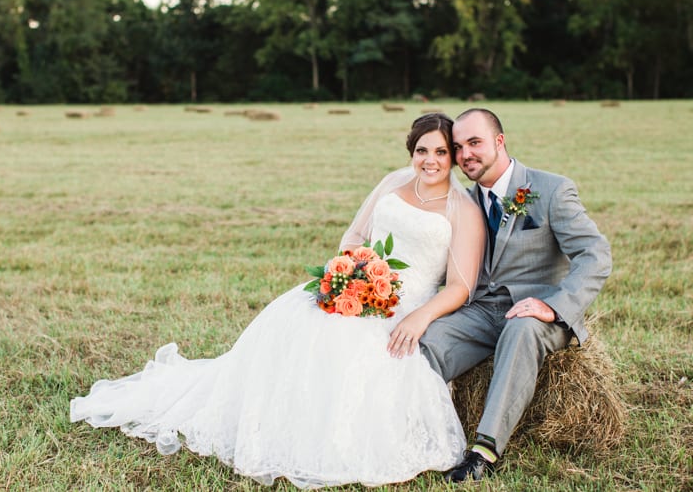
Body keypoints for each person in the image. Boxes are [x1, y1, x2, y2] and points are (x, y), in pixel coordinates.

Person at [70, 113, 486, 488]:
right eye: (421, 150)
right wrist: (351, 274)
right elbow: (354, 237)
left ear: (453, 156)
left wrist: (419, 319)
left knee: (355, 348)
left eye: (441, 152)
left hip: (408, 302)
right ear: (411, 152)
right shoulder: (393, 182)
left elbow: (460, 286)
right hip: (358, 284)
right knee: (298, 319)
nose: (429, 160)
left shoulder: (462, 209)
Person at [414, 108, 612, 482]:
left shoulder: (551, 189)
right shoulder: (462, 201)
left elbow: (595, 255)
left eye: (475, 143)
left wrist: (553, 307)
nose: (465, 154)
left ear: (499, 142)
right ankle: (415, 434)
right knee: (425, 344)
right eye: (458, 147)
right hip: (481, 312)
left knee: (521, 330)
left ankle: (483, 453)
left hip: (536, 313)